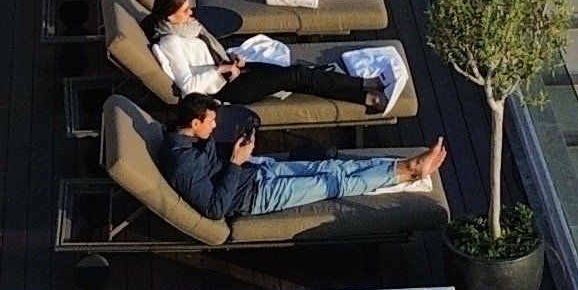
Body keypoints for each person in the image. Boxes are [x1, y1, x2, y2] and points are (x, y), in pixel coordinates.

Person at [158, 98, 445, 223]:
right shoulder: (182, 165)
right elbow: (214, 208)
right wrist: (234, 162)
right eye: (210, 122)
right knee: (332, 182)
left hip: (257, 171)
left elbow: (212, 164)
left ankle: (402, 165)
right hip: (256, 196)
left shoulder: (187, 136)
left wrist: (239, 150)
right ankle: (409, 171)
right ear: (195, 123)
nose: (214, 125)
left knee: (333, 167)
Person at [146, 0, 242, 102]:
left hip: (229, 72)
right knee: (273, 74)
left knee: (272, 66)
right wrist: (219, 70)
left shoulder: (189, 27)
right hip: (220, 87)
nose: (191, 13)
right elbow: (188, 86)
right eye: (185, 10)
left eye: (189, 8)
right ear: (170, 16)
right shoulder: (171, 43)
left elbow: (206, 53)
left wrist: (230, 57)